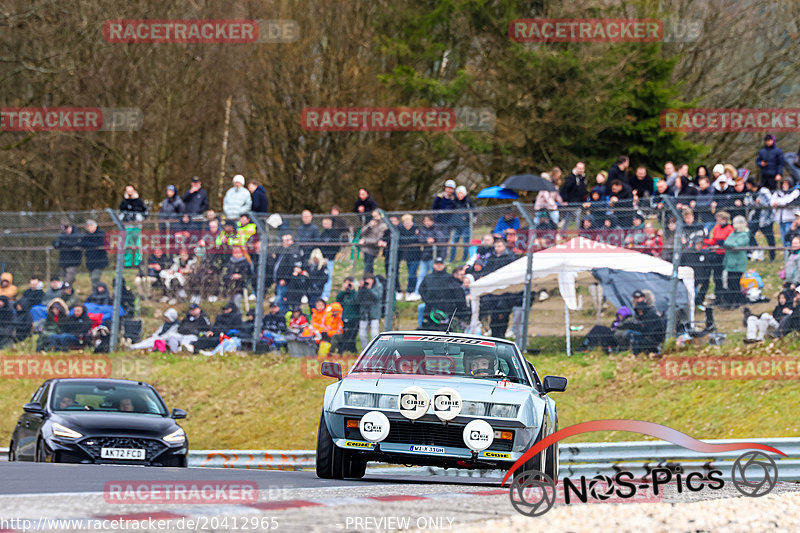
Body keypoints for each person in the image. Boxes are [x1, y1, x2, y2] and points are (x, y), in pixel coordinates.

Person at [418, 258, 467, 331]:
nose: (439, 266)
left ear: (444, 265)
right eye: (437, 264)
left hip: (446, 311)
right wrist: (427, 300)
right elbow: (421, 289)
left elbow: (457, 294)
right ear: (434, 265)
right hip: (430, 308)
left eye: (440, 264)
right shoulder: (428, 278)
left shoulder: (450, 278)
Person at [701, 211, 734, 307]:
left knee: (720, 277)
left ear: (724, 219)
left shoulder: (729, 229)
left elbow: (728, 242)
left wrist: (719, 244)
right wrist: (704, 241)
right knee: (716, 277)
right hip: (716, 254)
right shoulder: (717, 228)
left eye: (719, 219)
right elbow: (714, 240)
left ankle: (722, 297)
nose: (717, 221)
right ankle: (717, 297)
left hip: (724, 255)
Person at [721, 216, 750, 309]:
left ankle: (737, 301)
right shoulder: (733, 234)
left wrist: (729, 245)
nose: (734, 225)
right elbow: (726, 242)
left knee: (735, 283)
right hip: (730, 262)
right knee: (730, 283)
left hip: (738, 263)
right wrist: (729, 245)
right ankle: (730, 301)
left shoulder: (745, 235)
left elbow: (735, 246)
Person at [745, 178, 776, 262]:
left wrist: (761, 202)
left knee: (769, 237)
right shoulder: (750, 193)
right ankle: (757, 250)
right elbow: (748, 203)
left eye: (747, 184)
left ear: (751, 184)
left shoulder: (764, 191)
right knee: (749, 234)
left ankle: (772, 257)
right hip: (755, 218)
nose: (746, 185)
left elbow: (771, 203)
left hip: (766, 219)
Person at [272, 234, 302, 314]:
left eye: (287, 240)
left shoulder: (293, 252)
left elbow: (290, 268)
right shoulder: (282, 251)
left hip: (285, 282)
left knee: (282, 300)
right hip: (278, 280)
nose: (285, 242)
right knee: (279, 300)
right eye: (283, 240)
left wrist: (284, 279)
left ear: (292, 241)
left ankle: (283, 316)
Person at [319, 217, 347, 301]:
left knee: (328, 276)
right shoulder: (322, 233)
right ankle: (320, 293)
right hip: (322, 258)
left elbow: (337, 247)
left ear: (331, 223)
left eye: (326, 222)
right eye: (323, 222)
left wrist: (330, 256)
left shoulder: (335, 233)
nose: (324, 224)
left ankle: (325, 295)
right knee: (321, 276)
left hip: (330, 259)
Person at [771, 176, 800, 253]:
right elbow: (772, 201)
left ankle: (792, 254)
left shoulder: (795, 192)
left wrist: (778, 202)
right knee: (784, 239)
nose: (784, 185)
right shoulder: (778, 192)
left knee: (791, 239)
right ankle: (786, 255)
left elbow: (787, 201)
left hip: (790, 219)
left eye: (787, 184)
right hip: (781, 219)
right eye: (783, 183)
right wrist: (778, 202)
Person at [398, 214, 422, 301]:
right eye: (405, 222)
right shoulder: (401, 230)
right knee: (411, 274)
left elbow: (417, 238)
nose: (407, 224)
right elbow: (401, 240)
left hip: (416, 255)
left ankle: (410, 291)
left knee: (412, 274)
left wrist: (408, 240)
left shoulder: (416, 228)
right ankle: (411, 291)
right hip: (407, 256)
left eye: (409, 222)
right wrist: (409, 239)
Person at [358, 209, 388, 275]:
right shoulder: (371, 223)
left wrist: (365, 241)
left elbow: (377, 239)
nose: (375, 217)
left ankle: (367, 279)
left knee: (368, 266)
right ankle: (369, 279)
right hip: (365, 248)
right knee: (368, 266)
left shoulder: (383, 226)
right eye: (373, 216)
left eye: (376, 216)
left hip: (373, 249)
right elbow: (362, 233)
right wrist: (369, 226)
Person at [450, 185, 475, 262]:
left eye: (461, 193)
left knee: (465, 244)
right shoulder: (455, 202)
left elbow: (474, 212)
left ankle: (464, 260)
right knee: (454, 243)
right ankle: (451, 259)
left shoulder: (468, 202)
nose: (459, 195)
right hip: (457, 226)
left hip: (466, 226)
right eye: (458, 193)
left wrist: (466, 217)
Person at [357, 273, 382, 349]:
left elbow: (377, 297)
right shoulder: (363, 288)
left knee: (374, 333)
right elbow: (358, 299)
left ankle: (375, 349)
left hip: (374, 313)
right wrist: (361, 289)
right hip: (364, 313)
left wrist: (370, 289)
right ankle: (364, 350)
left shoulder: (378, 286)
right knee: (362, 334)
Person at [560, 161, 588, 228]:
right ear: (576, 168)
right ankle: (579, 232)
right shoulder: (571, 178)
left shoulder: (583, 179)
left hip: (579, 202)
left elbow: (583, 190)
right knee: (578, 215)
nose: (580, 170)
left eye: (582, 168)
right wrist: (564, 200)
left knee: (568, 218)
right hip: (571, 202)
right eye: (579, 168)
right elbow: (564, 189)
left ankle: (562, 233)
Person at [81, 219, 108, 286]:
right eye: (87, 227)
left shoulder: (101, 234)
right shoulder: (87, 235)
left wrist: (90, 245)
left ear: (94, 226)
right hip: (90, 261)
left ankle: (99, 293)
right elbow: (83, 243)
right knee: (92, 280)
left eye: (90, 226)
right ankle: (96, 293)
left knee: (95, 278)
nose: (88, 229)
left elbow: (101, 244)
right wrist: (92, 245)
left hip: (100, 261)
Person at [336, 277, 359, 353]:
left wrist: (352, 290)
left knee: (352, 335)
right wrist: (343, 290)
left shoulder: (355, 293)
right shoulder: (344, 294)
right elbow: (338, 300)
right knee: (345, 335)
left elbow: (357, 301)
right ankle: (344, 349)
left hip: (354, 318)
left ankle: (351, 349)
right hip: (345, 317)